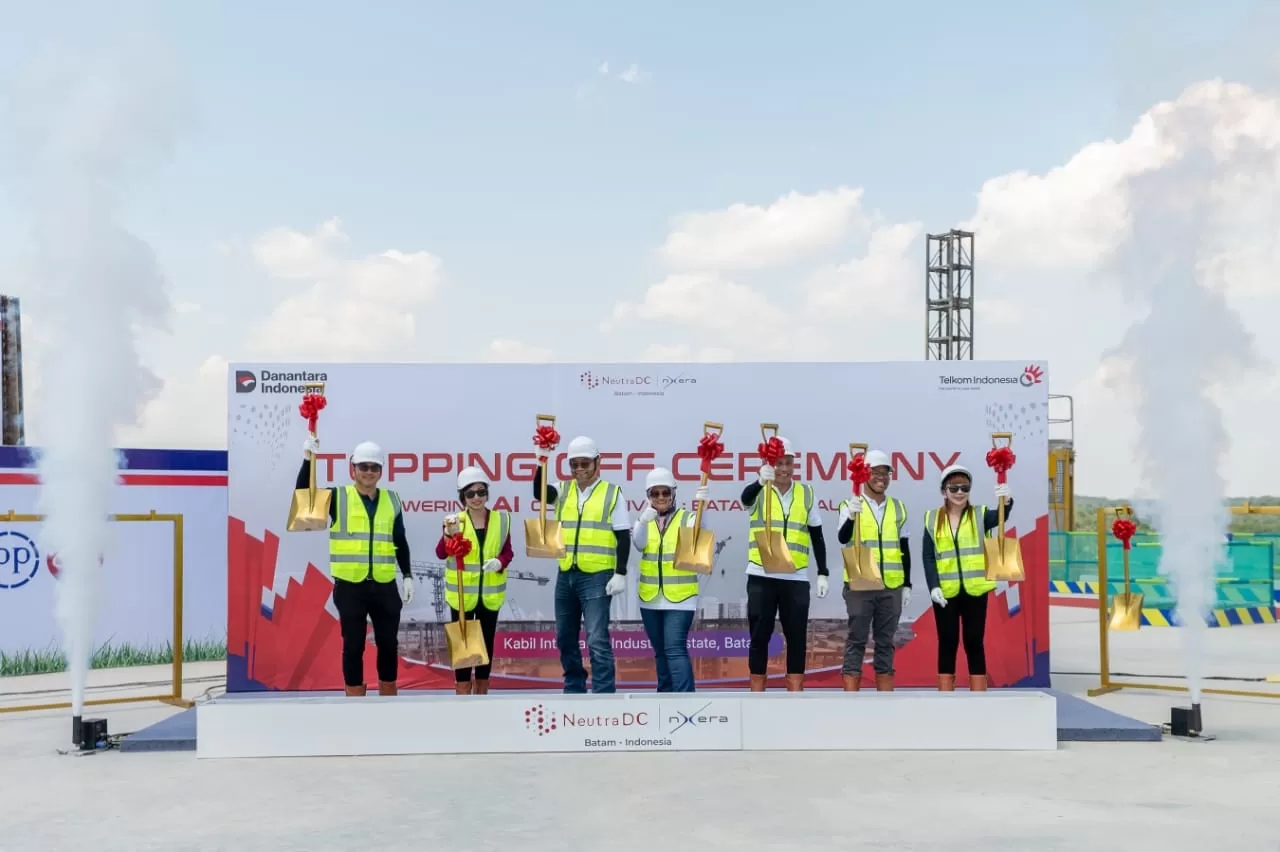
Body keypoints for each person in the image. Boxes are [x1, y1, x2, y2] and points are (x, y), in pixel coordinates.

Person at [298, 437, 413, 696]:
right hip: (350, 587)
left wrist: (407, 575)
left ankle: (388, 697)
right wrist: (307, 460)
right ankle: (354, 700)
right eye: (363, 467)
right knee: (353, 646)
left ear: (381, 471)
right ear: (353, 469)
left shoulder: (392, 500)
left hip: (384, 586)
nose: (369, 472)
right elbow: (304, 499)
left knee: (388, 644)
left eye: (374, 467)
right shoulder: (338, 496)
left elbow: (400, 540)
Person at [531, 435, 631, 693]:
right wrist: (541, 462)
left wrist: (620, 572)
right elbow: (539, 493)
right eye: (574, 464)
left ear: (598, 463)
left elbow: (623, 536)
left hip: (598, 575)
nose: (579, 469)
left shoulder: (612, 493)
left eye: (585, 463)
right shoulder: (563, 490)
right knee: (565, 637)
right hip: (566, 574)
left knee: (597, 639)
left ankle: (603, 692)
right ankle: (574, 686)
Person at [739, 436, 829, 692]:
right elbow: (745, 500)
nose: (784, 469)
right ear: (769, 464)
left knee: (797, 636)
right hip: (761, 574)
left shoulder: (806, 493)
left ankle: (795, 691)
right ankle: (757, 690)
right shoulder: (759, 490)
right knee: (759, 636)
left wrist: (822, 572)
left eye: (788, 463)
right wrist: (760, 481)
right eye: (778, 463)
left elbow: (817, 535)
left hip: (795, 578)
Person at [922, 464, 1013, 691]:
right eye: (954, 488)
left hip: (975, 590)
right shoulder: (932, 519)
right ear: (944, 491)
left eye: (964, 487)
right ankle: (945, 693)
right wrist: (933, 586)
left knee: (974, 642)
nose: (959, 492)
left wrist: (1006, 500)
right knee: (947, 642)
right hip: (945, 592)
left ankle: (979, 693)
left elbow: (1001, 516)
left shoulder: (981, 515)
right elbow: (928, 556)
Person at [836, 449, 911, 692]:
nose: (881, 477)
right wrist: (851, 516)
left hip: (891, 585)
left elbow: (904, 548)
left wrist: (907, 584)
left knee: (885, 641)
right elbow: (843, 538)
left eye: (885, 473)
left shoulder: (898, 508)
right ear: (864, 474)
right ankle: (851, 693)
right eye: (876, 472)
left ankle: (885, 693)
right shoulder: (849, 504)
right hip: (860, 582)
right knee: (857, 639)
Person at [435, 466, 513, 695]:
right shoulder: (454, 521)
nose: (477, 498)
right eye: (470, 494)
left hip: (490, 594)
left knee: (486, 644)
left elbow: (508, 552)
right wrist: (448, 536)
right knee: (463, 645)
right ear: (463, 497)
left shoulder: (501, 519)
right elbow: (440, 553)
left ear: (487, 493)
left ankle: (481, 691)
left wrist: (500, 561)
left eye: (481, 492)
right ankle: (462, 692)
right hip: (462, 595)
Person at [631, 467, 709, 692]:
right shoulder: (644, 520)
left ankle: (685, 700)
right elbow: (639, 544)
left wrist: (703, 507)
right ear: (648, 496)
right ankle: (664, 698)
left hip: (680, 598)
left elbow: (699, 531)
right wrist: (642, 522)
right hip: (650, 598)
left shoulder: (687, 518)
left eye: (665, 492)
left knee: (674, 649)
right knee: (660, 652)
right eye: (655, 493)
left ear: (674, 493)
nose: (661, 497)